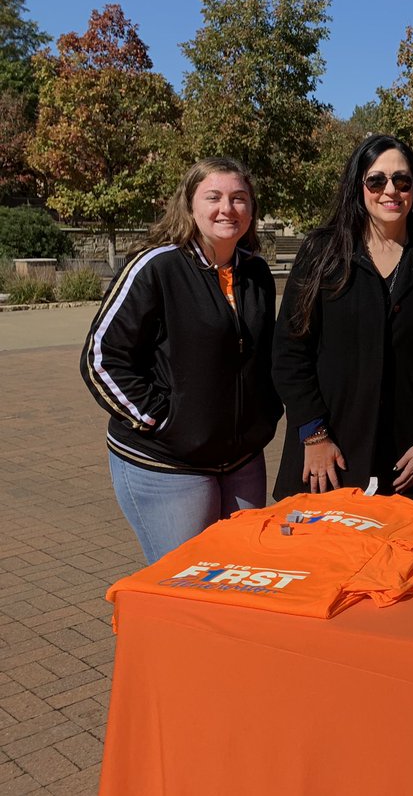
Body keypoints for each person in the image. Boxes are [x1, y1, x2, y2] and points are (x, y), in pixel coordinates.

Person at [81, 157, 282, 564]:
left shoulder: (256, 272)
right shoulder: (157, 266)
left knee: (243, 576)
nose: (228, 208)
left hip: (242, 459)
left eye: (239, 198)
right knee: (186, 583)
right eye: (214, 197)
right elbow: (101, 357)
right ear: (189, 205)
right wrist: (162, 419)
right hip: (169, 463)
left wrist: (266, 412)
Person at [273, 134, 413, 501]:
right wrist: (314, 433)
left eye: (402, 181)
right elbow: (289, 351)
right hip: (328, 456)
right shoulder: (323, 253)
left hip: (404, 461)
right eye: (377, 180)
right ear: (358, 186)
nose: (390, 190)